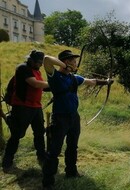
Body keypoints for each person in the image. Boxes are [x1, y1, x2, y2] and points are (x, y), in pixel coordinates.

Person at [42, 50, 113, 189]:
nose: (75, 63)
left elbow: (91, 82)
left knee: (72, 146)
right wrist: (64, 65)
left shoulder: (74, 78)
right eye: (73, 61)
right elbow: (46, 59)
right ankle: (48, 182)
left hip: (74, 117)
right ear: (66, 62)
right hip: (60, 118)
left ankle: (71, 172)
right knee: (54, 150)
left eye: (75, 61)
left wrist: (107, 82)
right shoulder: (55, 76)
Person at [1, 50, 49, 172]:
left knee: (39, 132)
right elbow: (35, 84)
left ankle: (42, 157)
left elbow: (42, 86)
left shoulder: (36, 70)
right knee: (17, 135)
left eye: (41, 62)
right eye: (39, 62)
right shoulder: (22, 68)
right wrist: (54, 84)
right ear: (31, 60)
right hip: (22, 107)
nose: (41, 65)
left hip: (36, 107)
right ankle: (7, 163)